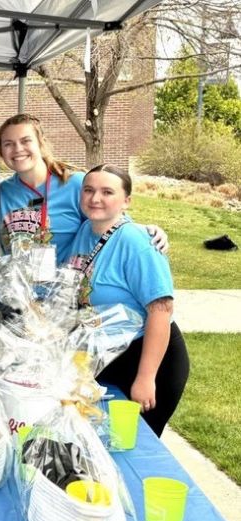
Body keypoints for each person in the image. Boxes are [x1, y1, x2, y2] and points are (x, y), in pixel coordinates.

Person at [66, 165, 189, 436]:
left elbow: (161, 311)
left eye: (107, 192)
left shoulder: (137, 242)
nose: (95, 198)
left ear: (126, 201)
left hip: (147, 356)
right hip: (107, 354)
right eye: (88, 190)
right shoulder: (87, 230)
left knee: (132, 443)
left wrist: (146, 378)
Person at [0, 113, 168, 264]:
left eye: (26, 141)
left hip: (67, 291)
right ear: (1, 151)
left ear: (41, 144)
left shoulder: (76, 185)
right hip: (17, 293)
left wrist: (146, 232)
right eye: (8, 144)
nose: (18, 149)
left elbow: (114, 223)